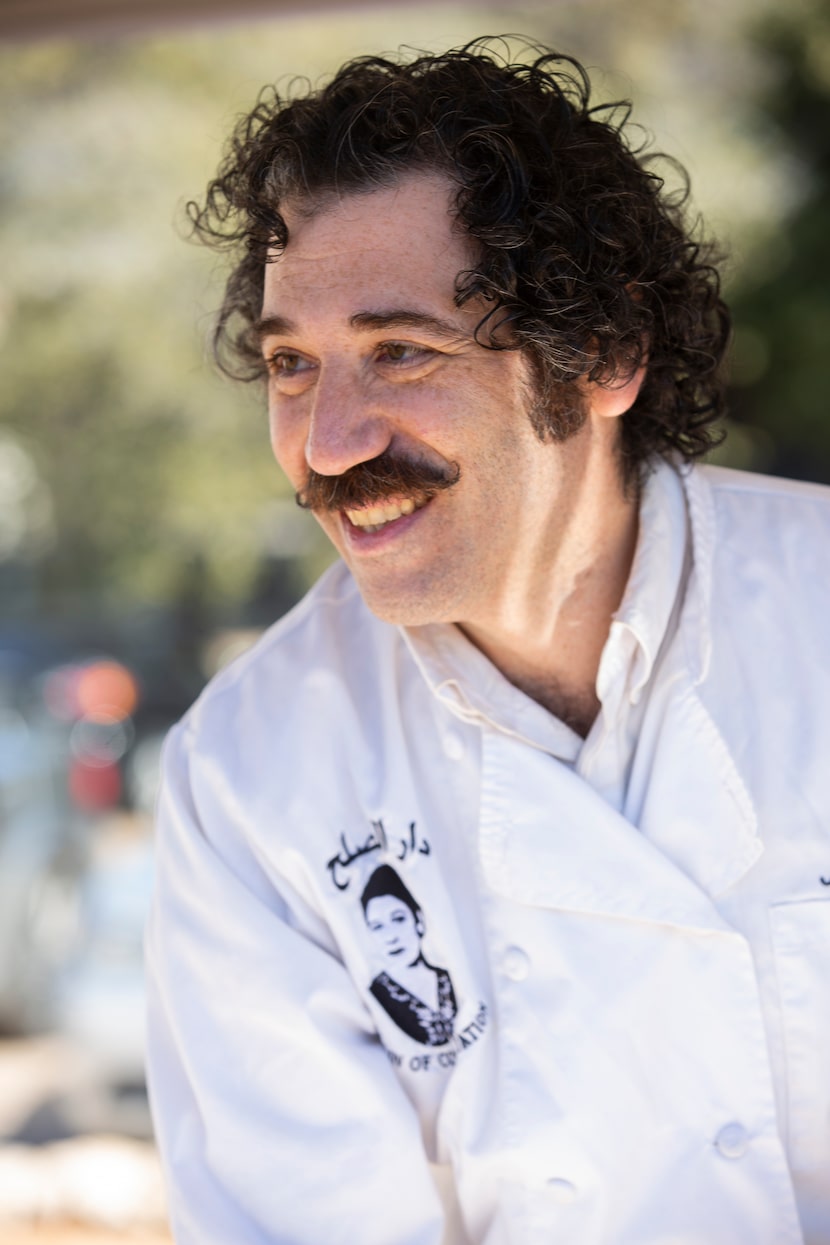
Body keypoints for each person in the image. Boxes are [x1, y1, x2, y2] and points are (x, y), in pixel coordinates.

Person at [145, 37, 830, 1245]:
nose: (331, 440)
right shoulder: (250, 780)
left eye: (399, 350)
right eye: (292, 365)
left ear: (604, 355)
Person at [361, 862, 458, 1047]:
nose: (391, 937)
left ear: (418, 920)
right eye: (377, 927)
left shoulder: (447, 979)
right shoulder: (377, 993)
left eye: (398, 919)